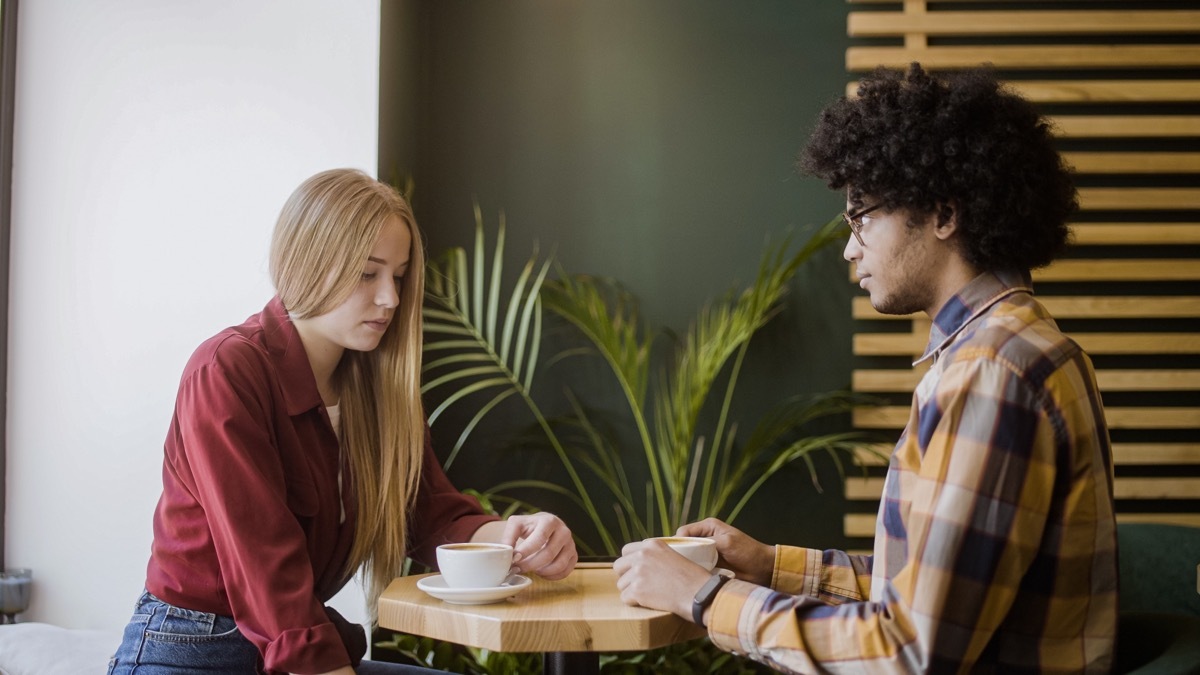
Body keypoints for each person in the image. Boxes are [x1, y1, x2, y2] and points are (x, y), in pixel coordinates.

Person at [614, 64, 1117, 673]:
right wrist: (770, 565)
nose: (850, 246)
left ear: (943, 214)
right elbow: (933, 594)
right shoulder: (1019, 348)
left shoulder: (991, 374)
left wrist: (701, 596)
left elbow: (908, 652)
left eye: (862, 215)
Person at [108, 169, 578, 675]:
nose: (391, 299)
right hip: (195, 650)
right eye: (367, 273)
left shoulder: (380, 391)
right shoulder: (226, 370)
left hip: (295, 646)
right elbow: (267, 569)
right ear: (307, 263)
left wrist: (514, 537)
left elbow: (431, 514)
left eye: (398, 276)